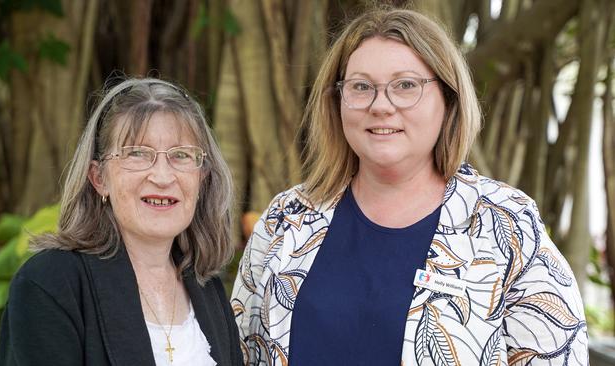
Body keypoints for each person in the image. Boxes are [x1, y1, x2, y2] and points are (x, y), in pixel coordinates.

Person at [231, 7, 588, 366]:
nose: (381, 105)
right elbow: (239, 350)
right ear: (337, 100)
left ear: (448, 100)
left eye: (405, 85)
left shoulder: (506, 224)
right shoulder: (287, 218)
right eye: (361, 87)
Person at [0, 78, 243, 366]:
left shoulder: (206, 287)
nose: (163, 177)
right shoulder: (50, 284)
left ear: (202, 177)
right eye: (138, 154)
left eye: (181, 155)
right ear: (99, 178)